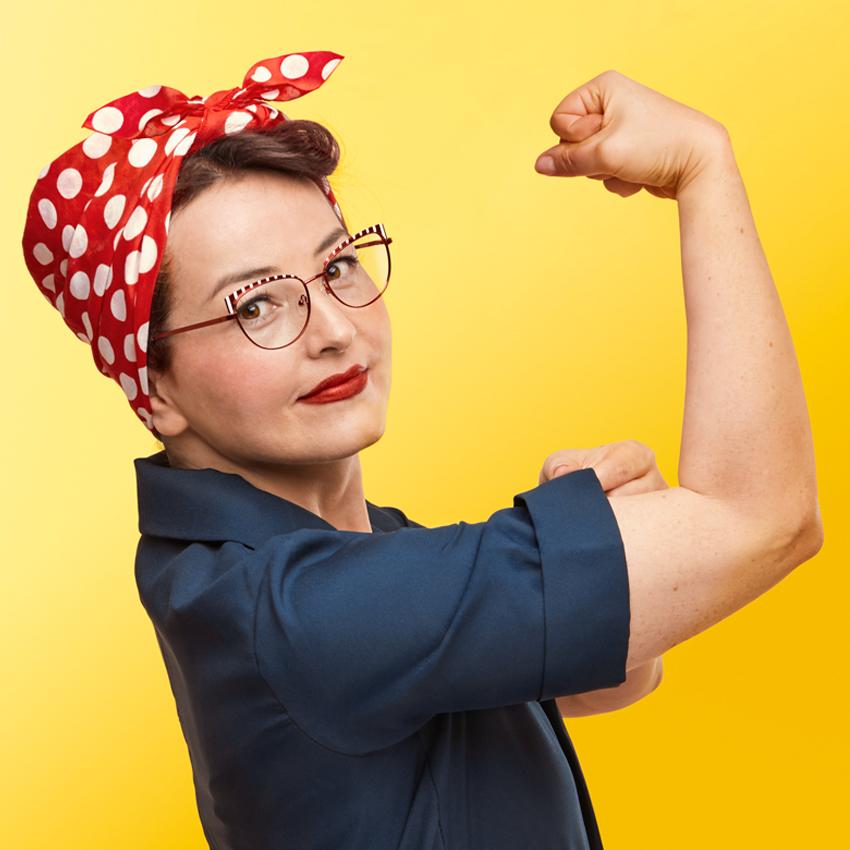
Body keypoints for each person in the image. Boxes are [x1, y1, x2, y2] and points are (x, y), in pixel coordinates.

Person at [22, 51, 821, 850]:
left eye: (339, 264)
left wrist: (617, 554)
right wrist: (702, 168)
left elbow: (601, 683)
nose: (336, 329)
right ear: (154, 387)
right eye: (254, 306)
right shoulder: (304, 607)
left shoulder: (332, 550)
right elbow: (766, 519)